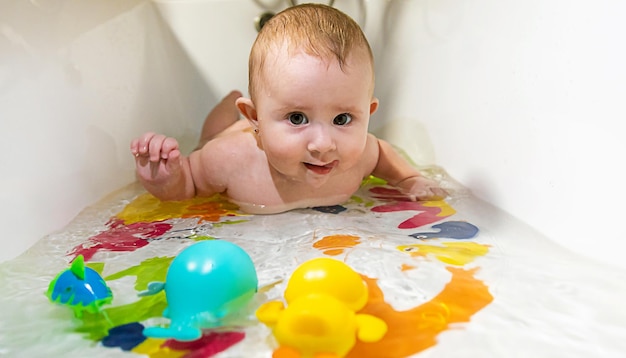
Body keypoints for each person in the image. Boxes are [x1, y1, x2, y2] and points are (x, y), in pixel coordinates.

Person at [130, 4, 446, 214]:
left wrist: (409, 180)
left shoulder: (360, 154)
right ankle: (229, 102)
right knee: (211, 137)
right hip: (233, 138)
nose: (323, 144)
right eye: (297, 118)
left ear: (369, 111)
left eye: (342, 118)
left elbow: (383, 155)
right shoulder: (229, 159)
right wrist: (166, 179)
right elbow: (189, 187)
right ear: (255, 117)